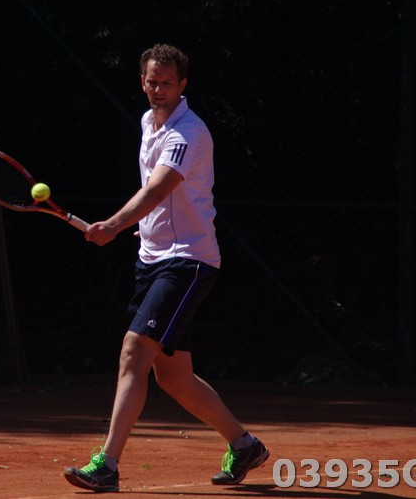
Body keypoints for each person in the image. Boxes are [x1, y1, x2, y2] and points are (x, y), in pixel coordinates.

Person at [63, 44, 268, 492]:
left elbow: (157, 190)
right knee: (174, 377)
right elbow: (157, 201)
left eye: (167, 84)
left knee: (133, 351)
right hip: (151, 259)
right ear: (142, 81)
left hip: (188, 261)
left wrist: (114, 225)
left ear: (183, 85)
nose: (158, 90)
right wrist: (140, 230)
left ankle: (107, 465)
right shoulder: (147, 123)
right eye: (152, 82)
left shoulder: (187, 133)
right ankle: (245, 445)